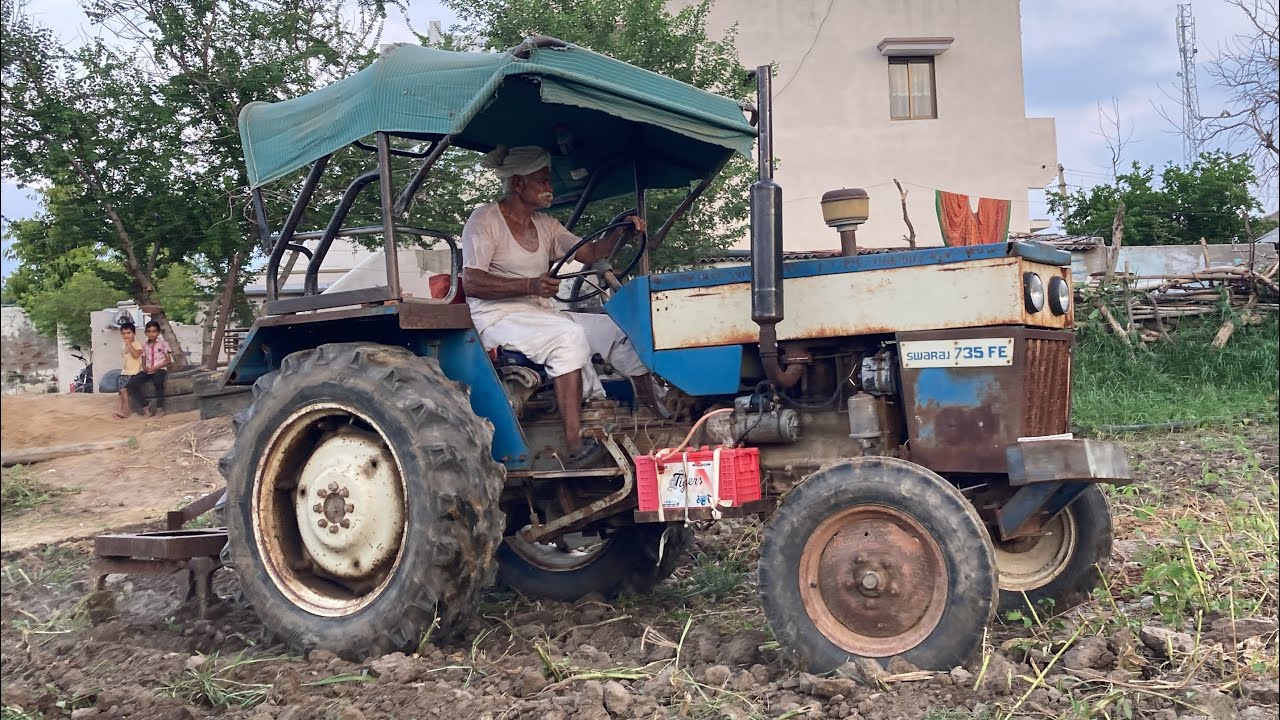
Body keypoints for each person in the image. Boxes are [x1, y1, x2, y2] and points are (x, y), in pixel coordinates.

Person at [461, 145, 653, 467]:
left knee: (619, 327)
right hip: (496, 316)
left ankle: (651, 414)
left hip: (539, 313)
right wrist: (529, 285)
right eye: (543, 180)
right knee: (568, 336)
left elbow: (589, 253)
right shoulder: (485, 220)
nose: (550, 187)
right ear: (518, 183)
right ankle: (576, 443)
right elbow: (472, 283)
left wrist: (623, 232)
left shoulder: (546, 225)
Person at [126, 320, 172, 417]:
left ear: (158, 332)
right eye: (149, 331)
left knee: (158, 382)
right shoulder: (144, 345)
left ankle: (160, 408)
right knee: (131, 384)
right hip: (148, 370)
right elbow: (143, 362)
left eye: (154, 331)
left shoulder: (163, 344)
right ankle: (145, 405)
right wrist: (147, 369)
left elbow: (168, 361)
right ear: (145, 333)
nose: (151, 334)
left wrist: (155, 368)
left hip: (160, 369)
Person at [113, 322, 143, 419]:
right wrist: (126, 345)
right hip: (125, 371)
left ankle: (127, 408)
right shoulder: (122, 345)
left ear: (134, 334)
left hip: (133, 372)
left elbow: (135, 355)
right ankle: (119, 410)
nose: (126, 335)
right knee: (120, 392)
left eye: (128, 333)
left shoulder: (136, 344)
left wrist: (129, 344)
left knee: (124, 390)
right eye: (124, 333)